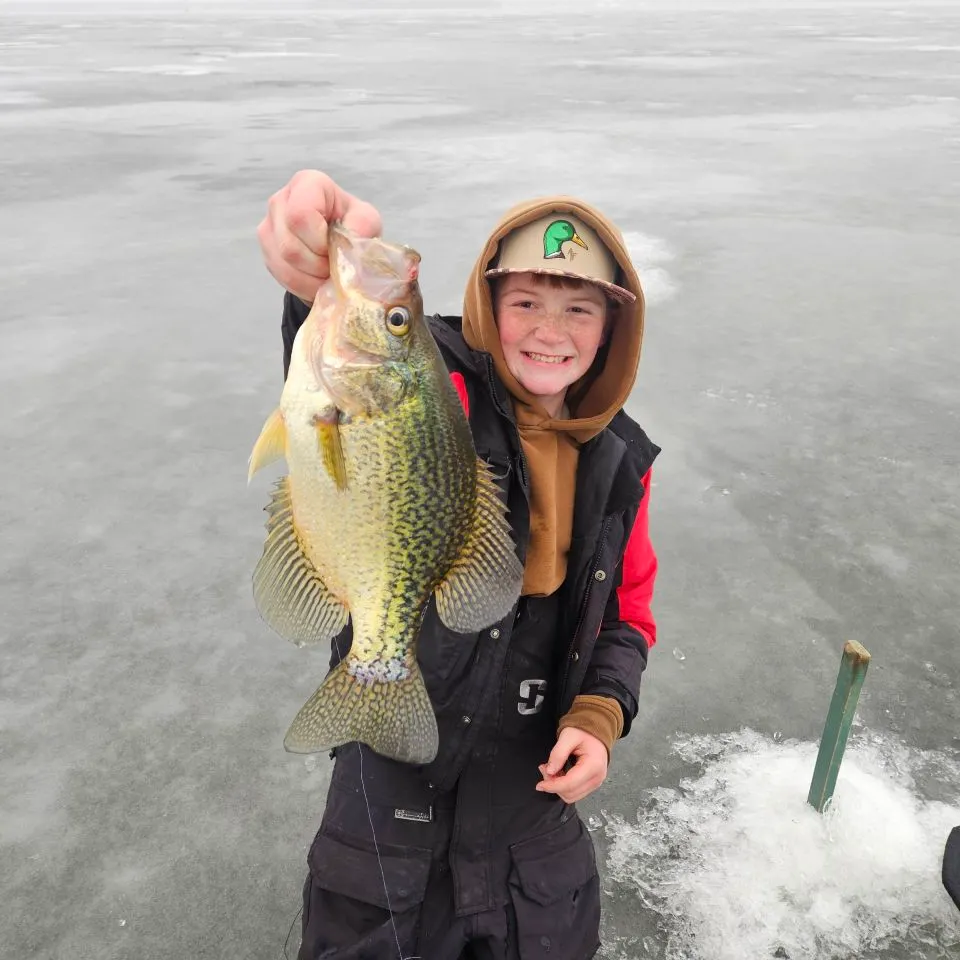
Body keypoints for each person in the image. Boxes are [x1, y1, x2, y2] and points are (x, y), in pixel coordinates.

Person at [257, 170, 661, 960]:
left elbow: (628, 614)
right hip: (389, 812)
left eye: (579, 308)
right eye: (524, 304)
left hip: (532, 812)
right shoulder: (438, 387)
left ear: (612, 329)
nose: (551, 330)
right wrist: (315, 268)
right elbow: (354, 361)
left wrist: (599, 720)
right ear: (485, 308)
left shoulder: (624, 462)